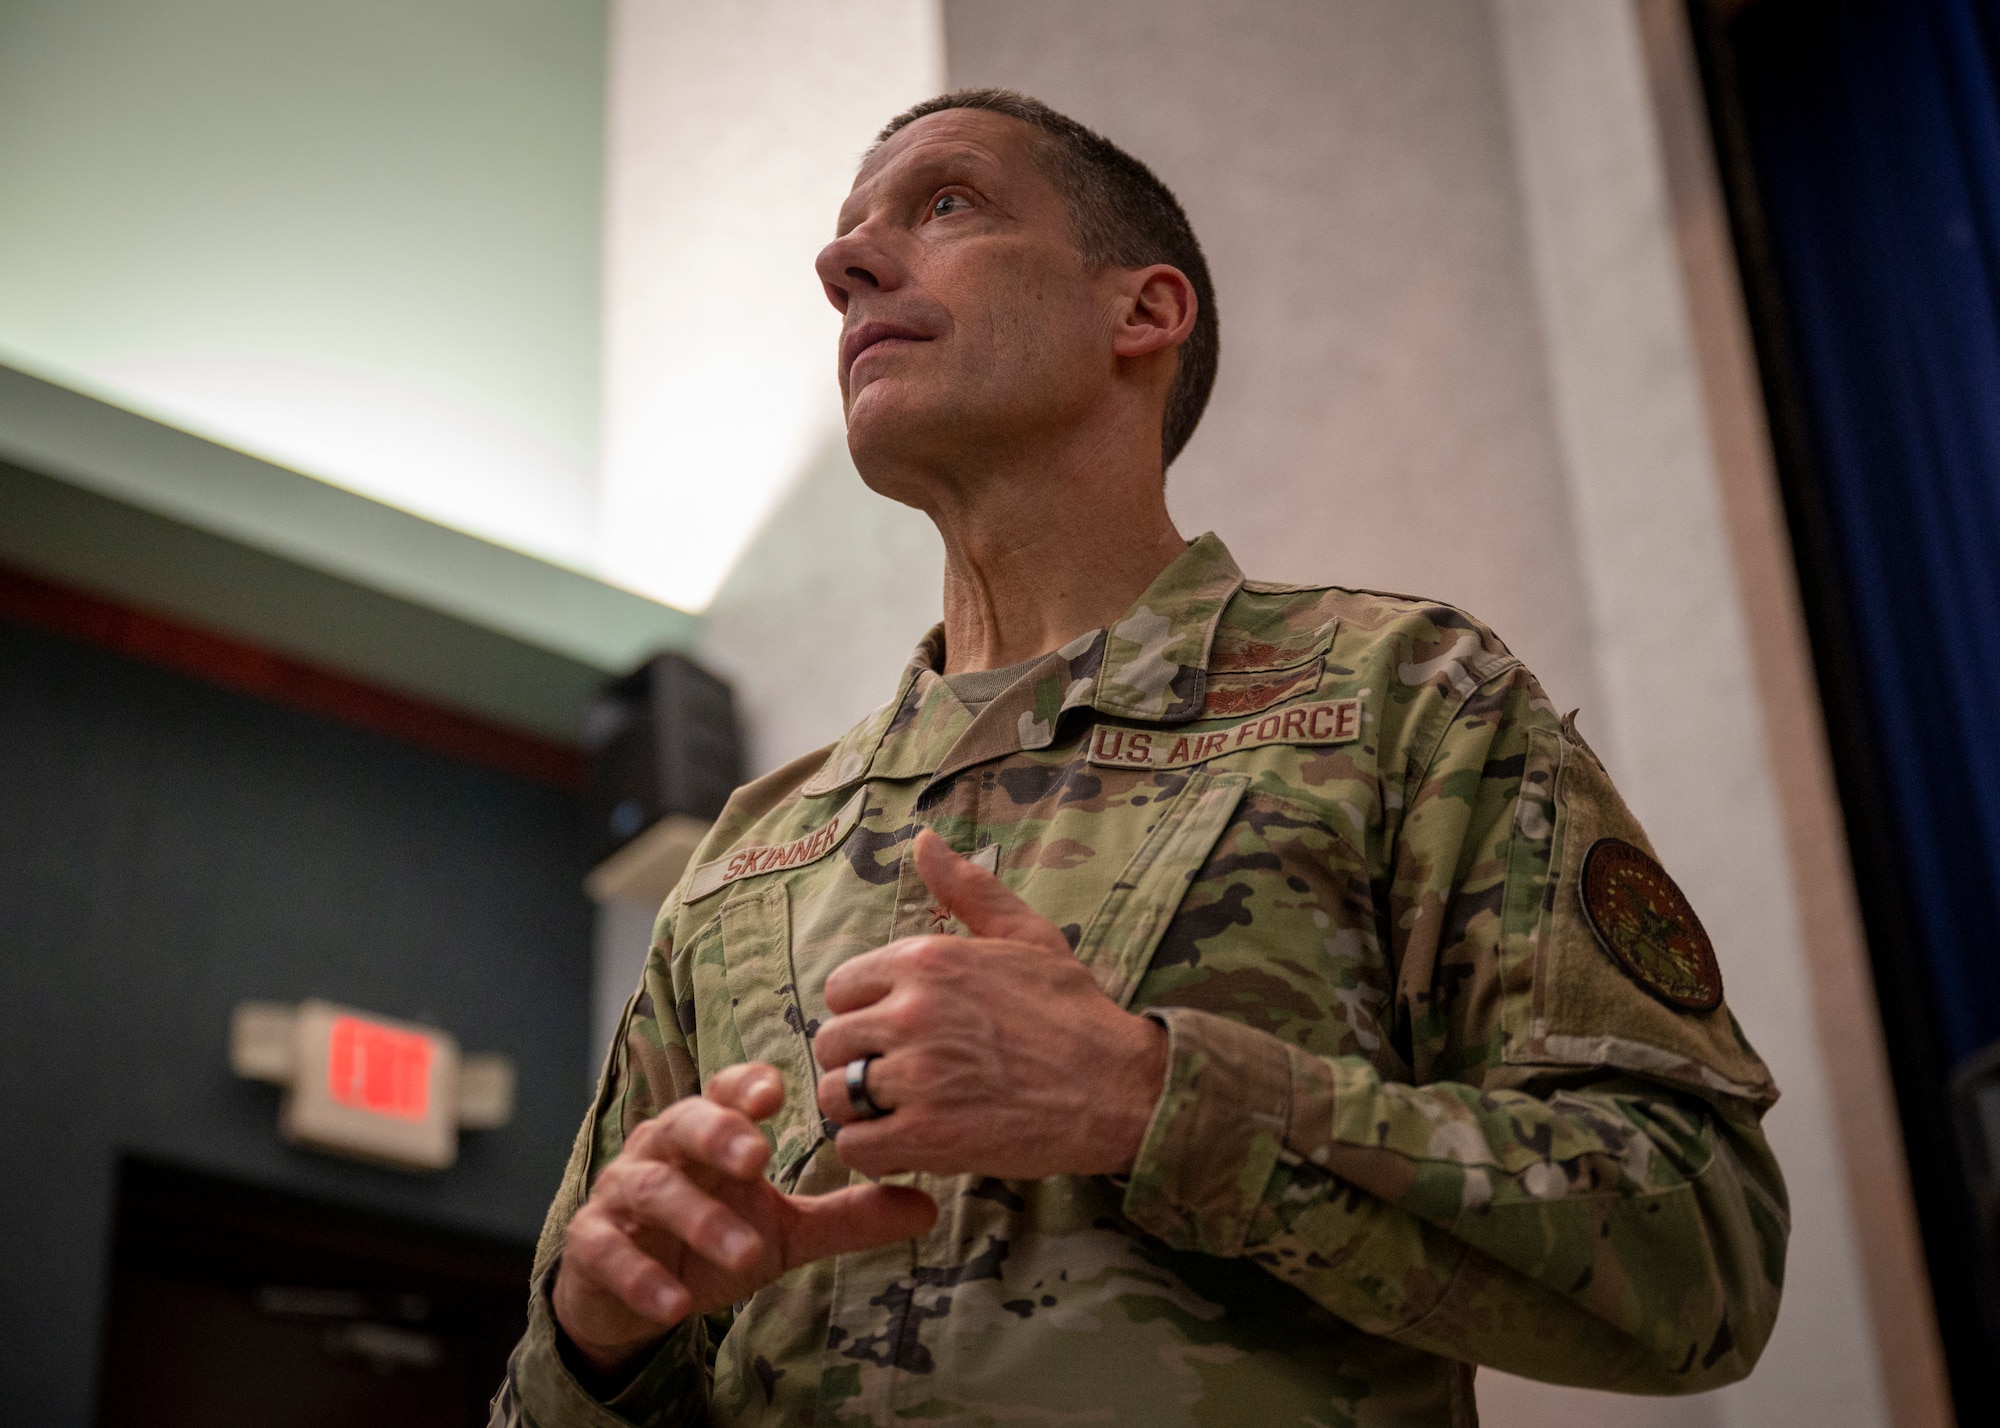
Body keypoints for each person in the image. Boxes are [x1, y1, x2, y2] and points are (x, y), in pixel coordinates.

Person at [492, 89, 1787, 1428]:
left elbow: (1700, 1249)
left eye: (943, 205)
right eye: (845, 239)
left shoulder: (1403, 701)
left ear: (1144, 313)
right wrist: (596, 1340)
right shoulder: (749, 851)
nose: (847, 264)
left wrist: (1149, 1096)